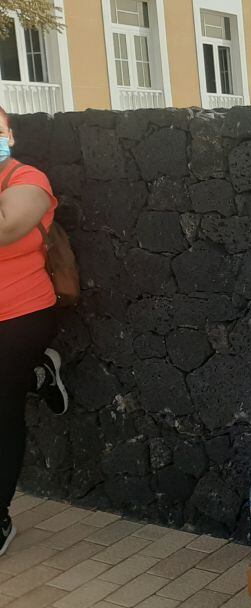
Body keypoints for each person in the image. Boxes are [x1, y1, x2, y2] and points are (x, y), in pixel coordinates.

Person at [0, 105, 69, 557]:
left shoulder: (27, 179)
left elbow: (8, 226)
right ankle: (39, 372)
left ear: (9, 133)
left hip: (20, 312)